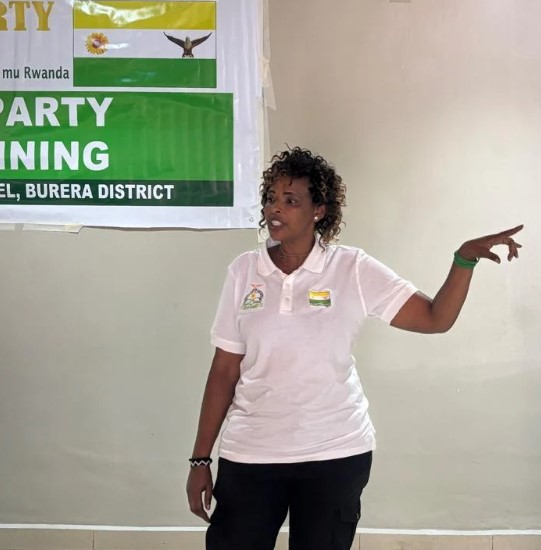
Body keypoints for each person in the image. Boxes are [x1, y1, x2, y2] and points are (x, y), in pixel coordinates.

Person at [186, 147, 522, 550]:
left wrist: (463, 260)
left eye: (290, 200)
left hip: (335, 451)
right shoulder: (244, 271)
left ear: (319, 211)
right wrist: (200, 459)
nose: (275, 208)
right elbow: (224, 371)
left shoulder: (352, 268)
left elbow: (435, 318)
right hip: (251, 452)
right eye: (271, 198)